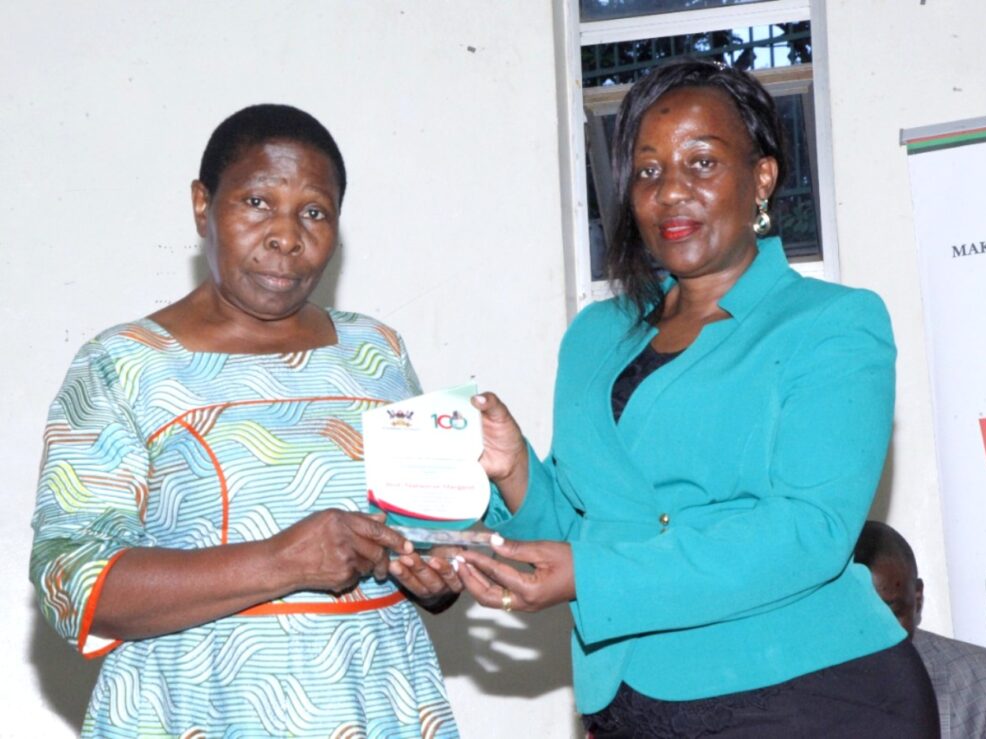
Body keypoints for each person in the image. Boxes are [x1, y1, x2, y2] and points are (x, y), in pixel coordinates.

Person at [455, 60, 939, 736]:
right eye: (648, 171)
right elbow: (584, 531)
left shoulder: (832, 323)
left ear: (761, 177)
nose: (670, 192)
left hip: (807, 694)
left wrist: (590, 573)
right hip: (629, 704)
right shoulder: (595, 336)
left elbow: (809, 532)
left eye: (702, 163)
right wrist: (515, 473)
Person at [29, 104, 461, 738]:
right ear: (203, 205)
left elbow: (429, 532)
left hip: (377, 701)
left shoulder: (378, 351)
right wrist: (285, 560)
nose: (286, 236)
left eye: (314, 212)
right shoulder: (123, 365)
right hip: (195, 707)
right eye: (257, 202)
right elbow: (69, 577)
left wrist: (437, 572)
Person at [855, 520, 986, 739]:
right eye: (859, 618)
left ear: (917, 597)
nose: (875, 634)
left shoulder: (980, 677)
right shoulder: (803, 681)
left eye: (891, 614)